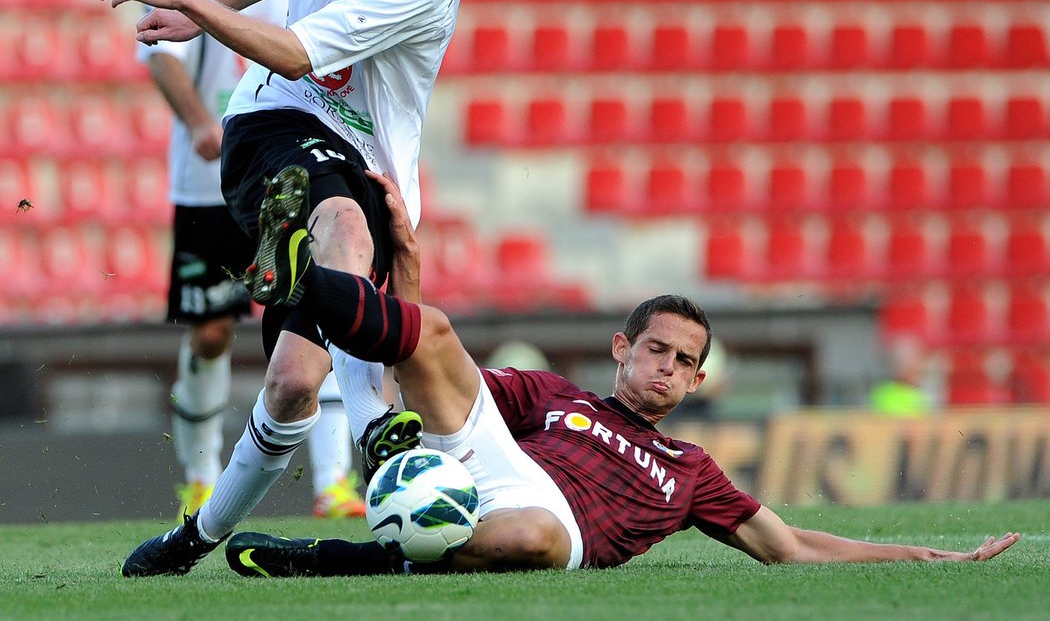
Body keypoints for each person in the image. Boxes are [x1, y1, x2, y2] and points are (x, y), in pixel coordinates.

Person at [213, 169, 1018, 577]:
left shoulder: (691, 471)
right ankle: (294, 279)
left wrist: (927, 559)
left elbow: (794, 550)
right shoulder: (553, 398)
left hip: (551, 523)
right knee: (440, 335)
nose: (667, 368)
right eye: (657, 349)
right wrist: (410, 258)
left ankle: (321, 558)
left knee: (527, 537)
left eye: (685, 362)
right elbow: (420, 361)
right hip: (495, 464)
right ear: (621, 349)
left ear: (698, 383)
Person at [99, 0, 461, 576]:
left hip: (370, 159)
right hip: (270, 122)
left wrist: (197, 5)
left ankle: (195, 537)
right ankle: (379, 436)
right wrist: (210, 12)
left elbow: (299, 48)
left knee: (294, 385)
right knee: (344, 231)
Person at [140, 0, 364, 521]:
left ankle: (333, 482)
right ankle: (200, 477)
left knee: (314, 307)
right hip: (210, 174)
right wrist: (201, 122)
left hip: (291, 168)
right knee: (211, 330)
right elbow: (161, 53)